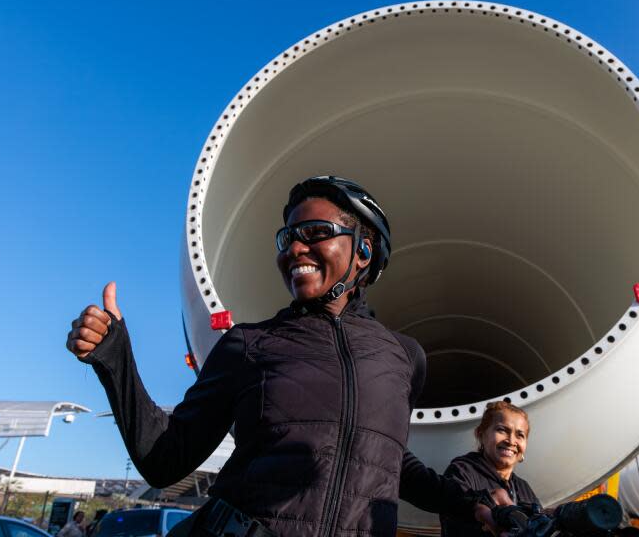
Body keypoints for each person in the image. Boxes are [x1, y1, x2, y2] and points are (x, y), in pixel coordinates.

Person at [66, 176, 500, 537]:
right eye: (288, 238)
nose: (294, 249)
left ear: (364, 250)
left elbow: (385, 461)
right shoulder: (247, 345)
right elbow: (164, 460)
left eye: (315, 234)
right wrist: (115, 357)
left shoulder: (405, 357)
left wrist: (471, 504)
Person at [440, 401, 540, 536]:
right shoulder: (461, 472)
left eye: (520, 435)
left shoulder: (523, 488)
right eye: (502, 430)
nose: (511, 441)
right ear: (481, 434)